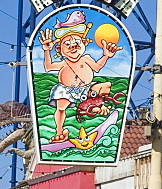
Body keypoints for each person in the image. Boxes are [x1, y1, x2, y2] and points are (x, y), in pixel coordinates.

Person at [38, 10, 120, 143]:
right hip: (66, 90)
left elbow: (97, 67)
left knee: (105, 86)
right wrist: (47, 50)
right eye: (67, 44)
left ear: (84, 44)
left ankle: (99, 107)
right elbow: (48, 67)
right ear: (59, 49)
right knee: (61, 107)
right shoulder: (64, 62)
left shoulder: (86, 58)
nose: (73, 46)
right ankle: (59, 132)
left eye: (77, 42)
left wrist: (106, 56)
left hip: (86, 89)